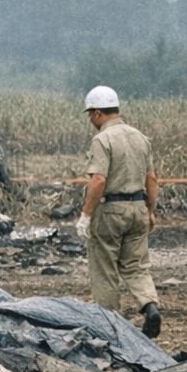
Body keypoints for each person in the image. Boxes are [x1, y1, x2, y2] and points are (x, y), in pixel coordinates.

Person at [75, 85, 161, 337]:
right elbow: (152, 179)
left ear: (99, 112)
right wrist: (150, 211)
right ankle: (149, 305)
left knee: (104, 268)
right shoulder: (139, 137)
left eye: (91, 114)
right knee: (136, 266)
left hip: (111, 211)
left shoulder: (103, 139)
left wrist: (86, 215)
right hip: (138, 209)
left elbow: (99, 180)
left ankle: (110, 327)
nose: (91, 120)